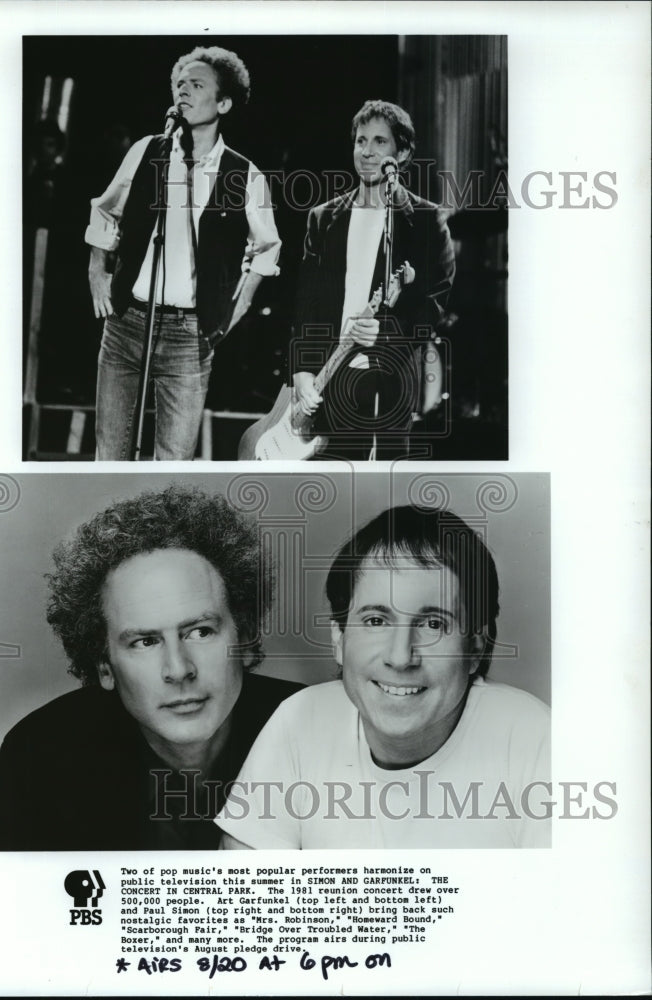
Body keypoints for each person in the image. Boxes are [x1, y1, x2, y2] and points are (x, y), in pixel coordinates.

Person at [215, 504, 551, 849]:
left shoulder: (531, 739)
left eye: (433, 624)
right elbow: (242, 893)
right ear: (339, 639)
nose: (400, 656)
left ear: (475, 649)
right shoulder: (299, 720)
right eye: (376, 621)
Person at [0, 485, 300, 851]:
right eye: (145, 642)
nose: (178, 669)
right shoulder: (37, 759)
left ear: (244, 638)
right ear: (105, 665)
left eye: (200, 631)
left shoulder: (317, 726)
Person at [85, 46, 281, 460]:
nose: (184, 93)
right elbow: (105, 210)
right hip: (126, 323)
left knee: (172, 463)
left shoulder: (244, 174)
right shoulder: (147, 151)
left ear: (224, 102)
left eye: (197, 85)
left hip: (190, 337)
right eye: (179, 84)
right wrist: (96, 272)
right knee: (109, 455)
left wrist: (236, 307)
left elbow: (266, 249)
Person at [291, 100, 455, 460]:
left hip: (388, 378)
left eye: (380, 142)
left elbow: (433, 306)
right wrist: (302, 369)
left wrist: (385, 333)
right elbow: (306, 303)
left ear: (403, 152)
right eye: (360, 140)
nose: (366, 151)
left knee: (376, 494)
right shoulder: (323, 218)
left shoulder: (426, 221)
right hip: (327, 379)